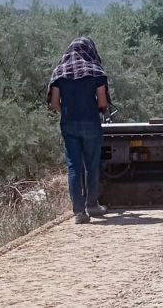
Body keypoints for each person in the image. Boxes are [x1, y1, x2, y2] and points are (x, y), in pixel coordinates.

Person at [47, 36, 110, 224]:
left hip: (69, 124)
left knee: (74, 167)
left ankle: (79, 212)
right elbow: (102, 101)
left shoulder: (59, 72)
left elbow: (54, 103)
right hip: (91, 122)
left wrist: (67, 111)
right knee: (91, 165)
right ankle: (92, 204)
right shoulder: (95, 71)